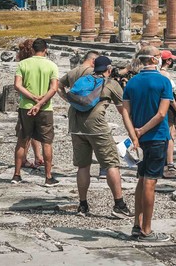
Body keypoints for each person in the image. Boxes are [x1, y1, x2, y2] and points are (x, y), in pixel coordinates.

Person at [57, 53, 133, 218]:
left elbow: (59, 85)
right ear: (109, 69)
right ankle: (119, 205)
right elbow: (123, 111)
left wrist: (66, 100)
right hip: (97, 127)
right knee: (112, 164)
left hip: (76, 125)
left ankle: (83, 205)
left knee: (83, 166)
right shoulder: (111, 84)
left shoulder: (82, 79)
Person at [119, 46, 173, 242]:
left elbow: (125, 112)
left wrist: (133, 134)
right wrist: (141, 130)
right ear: (152, 59)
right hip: (156, 136)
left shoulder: (131, 82)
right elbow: (161, 113)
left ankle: (136, 223)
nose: (160, 58)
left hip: (138, 139)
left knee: (141, 179)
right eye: (159, 55)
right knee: (150, 182)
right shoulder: (163, 81)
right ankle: (147, 230)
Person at [11, 38, 59, 186]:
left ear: (32, 50)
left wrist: (32, 97)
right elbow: (54, 89)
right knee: (47, 142)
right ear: (45, 49)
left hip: (26, 106)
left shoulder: (23, 64)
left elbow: (17, 85)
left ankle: (17, 175)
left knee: (22, 139)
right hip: (45, 108)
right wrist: (40, 103)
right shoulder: (52, 65)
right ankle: (48, 177)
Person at [16, 38, 43, 169]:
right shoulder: (33, 64)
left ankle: (34, 157)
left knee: (27, 132)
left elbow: (18, 85)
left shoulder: (22, 64)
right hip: (35, 100)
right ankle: (26, 159)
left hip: (25, 101)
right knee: (28, 133)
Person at [159, 50, 176, 179]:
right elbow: (169, 95)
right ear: (168, 61)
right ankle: (170, 162)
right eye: (171, 59)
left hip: (162, 104)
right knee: (170, 134)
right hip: (169, 106)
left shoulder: (158, 73)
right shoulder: (165, 74)